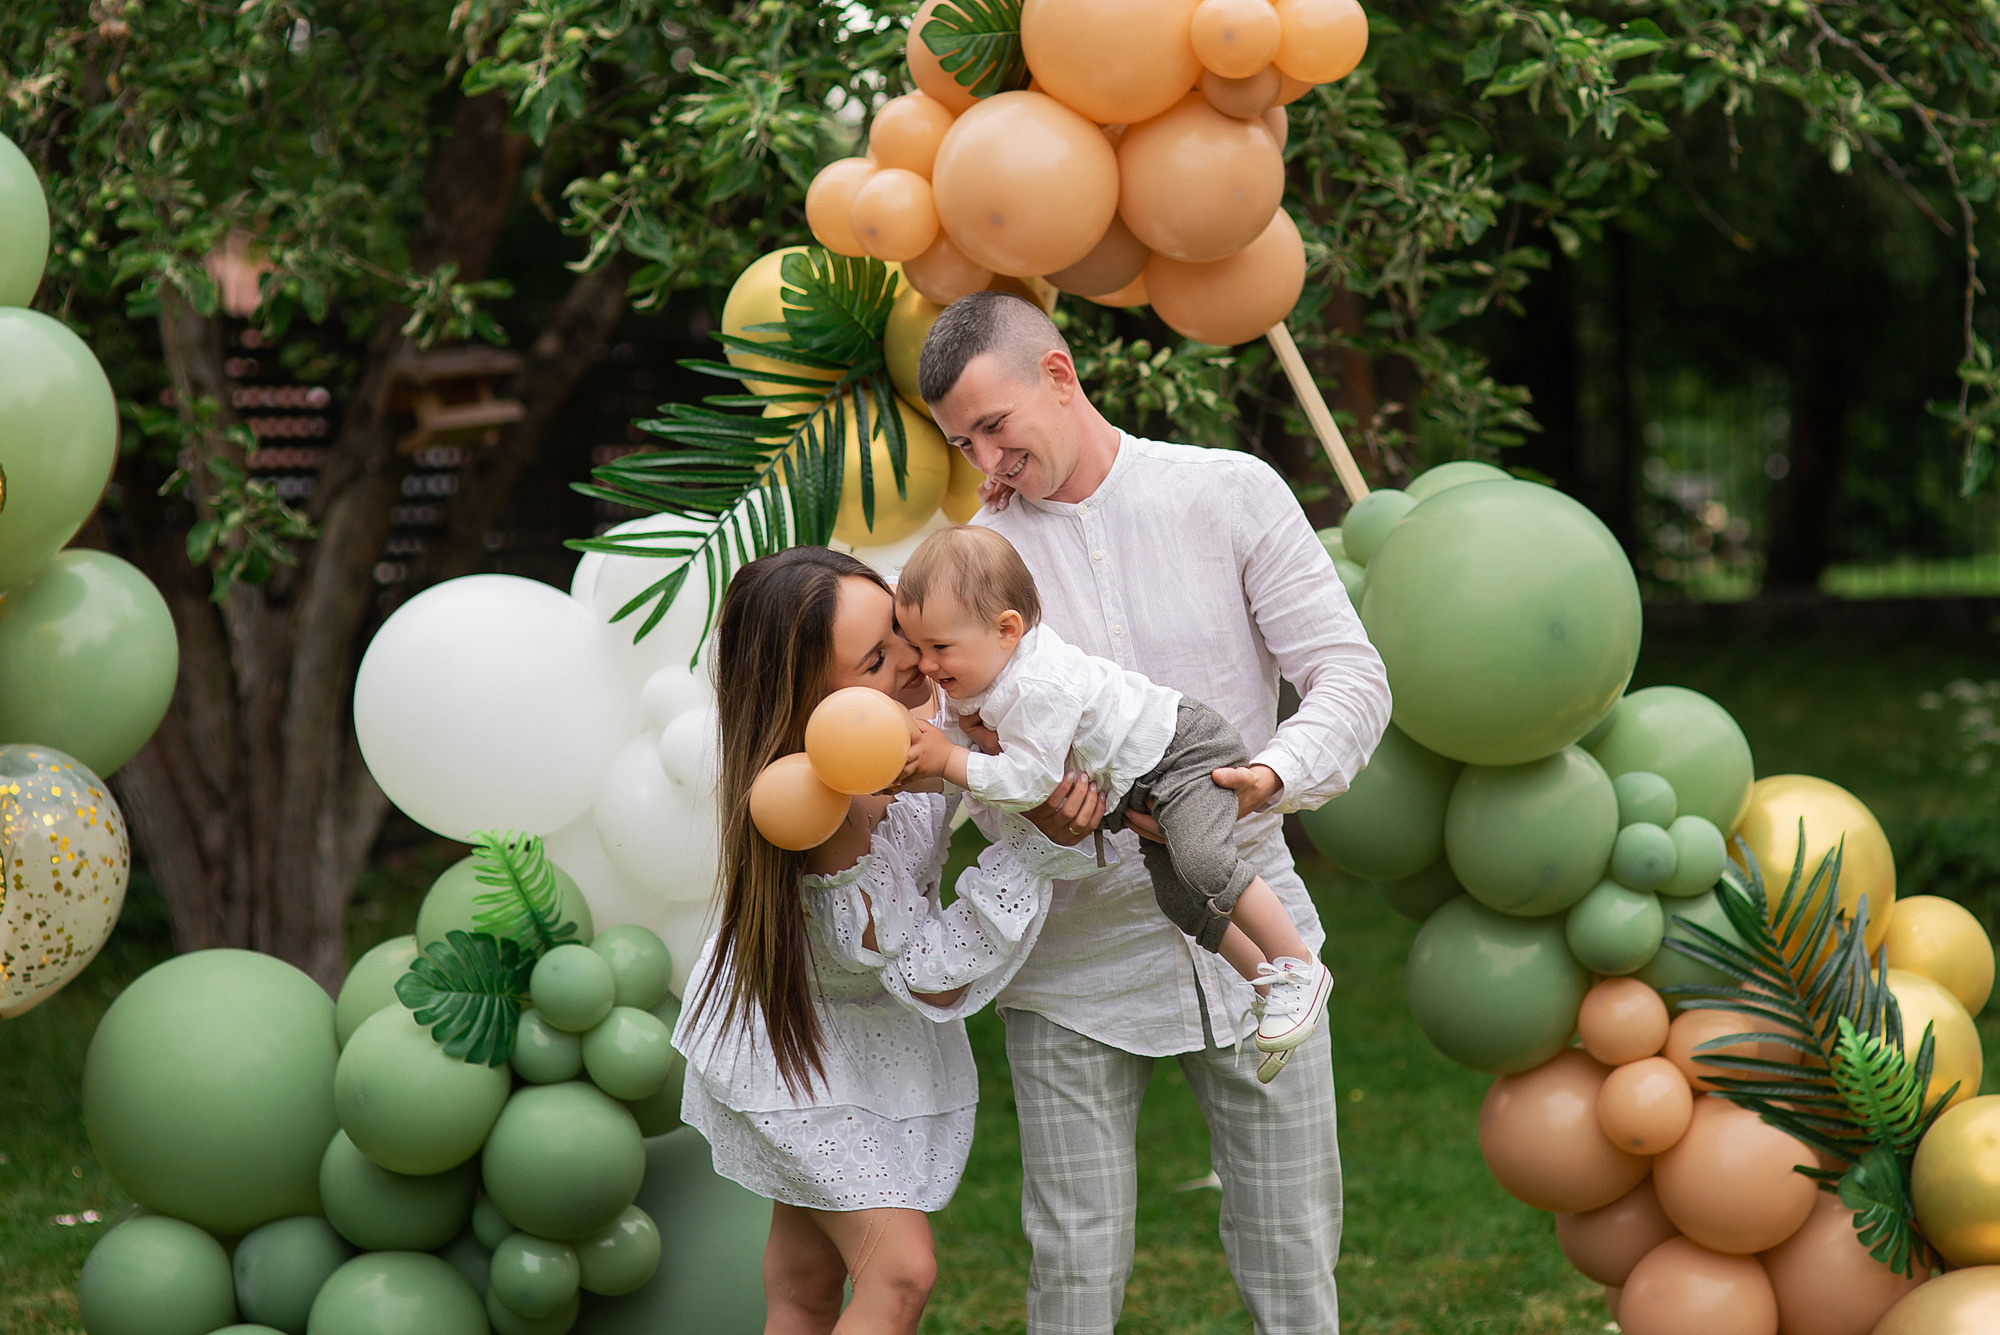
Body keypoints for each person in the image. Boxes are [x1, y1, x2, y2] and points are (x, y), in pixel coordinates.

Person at [915, 290, 1392, 1334]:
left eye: (994, 428)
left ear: (1057, 374)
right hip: (1071, 967)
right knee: (1073, 1272)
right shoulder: (969, 566)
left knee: (1293, 1266)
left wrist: (1269, 774)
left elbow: (1350, 679)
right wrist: (1033, 818)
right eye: (963, 443)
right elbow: (957, 761)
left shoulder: (1227, 491)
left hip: (1262, 953)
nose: (985, 462)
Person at [672, 545, 1111, 1335]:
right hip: (792, 1046)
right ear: (814, 699)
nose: (917, 660)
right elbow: (925, 972)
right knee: (901, 1272)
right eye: (879, 658)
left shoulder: (916, 721)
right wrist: (1037, 850)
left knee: (807, 1280)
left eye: (902, 627)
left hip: (855, 1031)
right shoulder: (820, 805)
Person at [894, 523, 1333, 1069]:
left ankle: (1299, 967)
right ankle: (1269, 991)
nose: (927, 665)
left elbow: (1028, 781)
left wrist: (951, 760)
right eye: (917, 647)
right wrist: (928, 761)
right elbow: (966, 759)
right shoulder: (977, 679)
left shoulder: (1037, 686)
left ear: (1007, 630)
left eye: (939, 648)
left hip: (1180, 753)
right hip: (1138, 789)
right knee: (1180, 900)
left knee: (1203, 861)